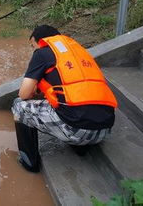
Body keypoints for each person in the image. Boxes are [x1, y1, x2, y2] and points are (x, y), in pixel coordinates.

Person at [11, 25, 117, 172]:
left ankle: (29, 162)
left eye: (32, 45)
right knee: (73, 106)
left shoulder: (41, 53)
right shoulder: (80, 53)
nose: (33, 49)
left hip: (77, 131)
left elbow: (23, 94)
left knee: (18, 106)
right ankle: (81, 149)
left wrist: (33, 91)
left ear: (40, 41)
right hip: (104, 129)